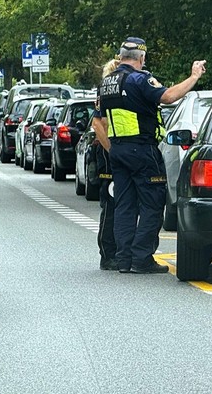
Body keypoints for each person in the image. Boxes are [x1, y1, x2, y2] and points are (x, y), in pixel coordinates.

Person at [93, 37, 206, 274]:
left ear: (120, 57)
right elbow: (168, 97)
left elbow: (100, 120)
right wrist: (194, 77)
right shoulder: (139, 79)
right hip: (142, 150)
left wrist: (115, 150)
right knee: (153, 203)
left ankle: (124, 260)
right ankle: (141, 258)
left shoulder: (107, 82)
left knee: (124, 205)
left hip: (118, 151)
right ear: (141, 58)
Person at [95, 58, 120, 270]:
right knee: (110, 203)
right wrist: (111, 150)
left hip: (120, 151)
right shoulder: (105, 92)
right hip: (107, 154)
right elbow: (98, 124)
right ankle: (107, 253)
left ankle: (119, 250)